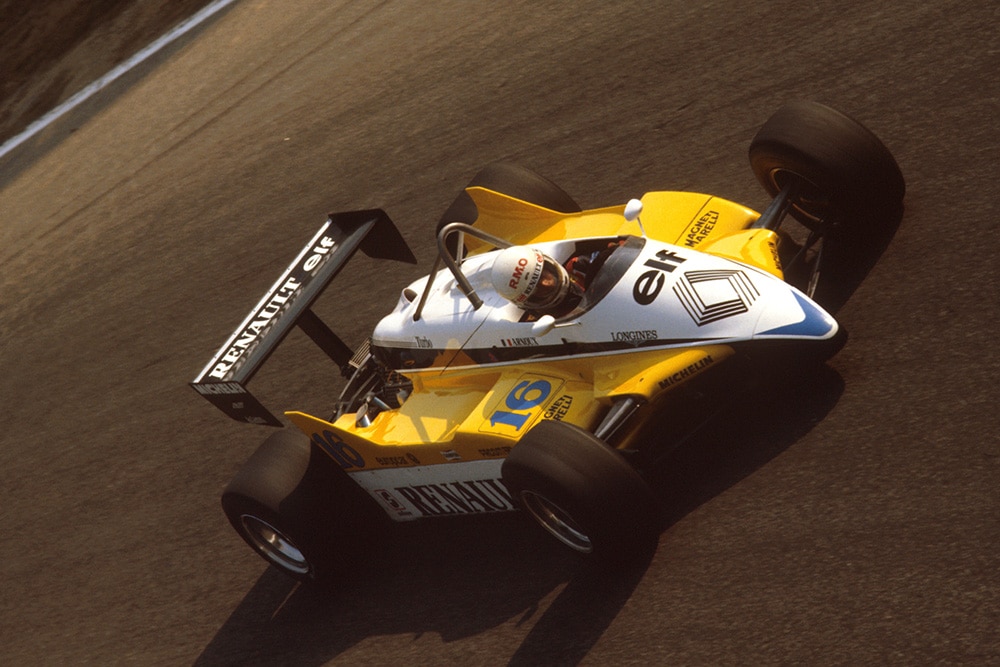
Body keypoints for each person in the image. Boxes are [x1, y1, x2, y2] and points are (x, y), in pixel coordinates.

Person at [490, 246, 578, 313]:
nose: (545, 283)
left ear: (548, 266)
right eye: (536, 288)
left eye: (542, 275)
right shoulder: (537, 324)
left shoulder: (577, 266)